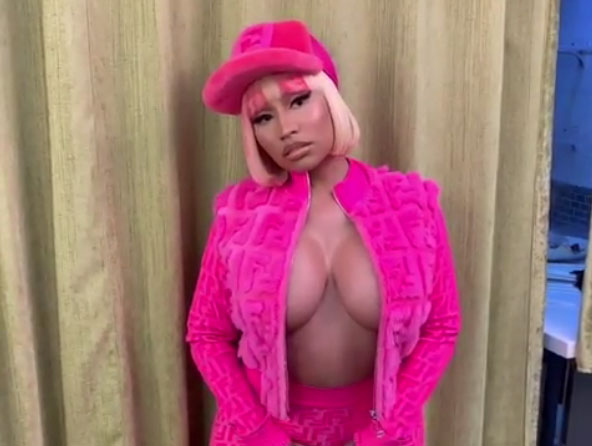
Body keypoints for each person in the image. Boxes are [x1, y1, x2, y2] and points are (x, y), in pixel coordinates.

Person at [186, 20, 461, 446]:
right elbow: (206, 334)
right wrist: (259, 431)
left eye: (298, 100)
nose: (285, 129)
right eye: (263, 117)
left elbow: (442, 326)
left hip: (380, 434)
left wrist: (384, 430)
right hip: (261, 435)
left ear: (330, 97)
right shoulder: (238, 217)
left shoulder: (412, 207)